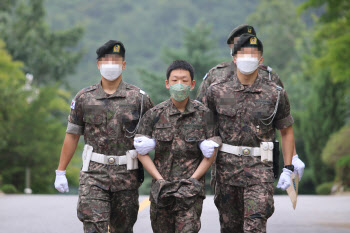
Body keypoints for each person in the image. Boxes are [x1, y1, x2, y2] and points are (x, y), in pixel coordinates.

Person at [54, 40, 153, 233]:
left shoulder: (139, 99)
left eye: (115, 60)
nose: (110, 65)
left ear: (123, 65)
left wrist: (151, 143)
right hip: (93, 175)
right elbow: (72, 135)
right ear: (98, 64)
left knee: (122, 229)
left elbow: (154, 134)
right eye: (106, 60)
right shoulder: (84, 98)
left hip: (126, 176)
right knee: (93, 227)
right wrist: (61, 171)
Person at [204, 34, 296, 232]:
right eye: (243, 54)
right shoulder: (216, 91)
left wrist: (288, 168)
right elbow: (207, 123)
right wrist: (207, 142)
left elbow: (286, 131)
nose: (248, 58)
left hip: (260, 169)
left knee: (255, 224)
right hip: (226, 171)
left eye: (253, 54)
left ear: (261, 60)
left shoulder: (276, 93)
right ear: (234, 58)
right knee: (230, 227)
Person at [196, 25, 305, 189]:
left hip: (261, 159)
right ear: (232, 48)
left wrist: (293, 158)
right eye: (240, 44)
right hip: (226, 160)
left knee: (258, 212)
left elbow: (282, 118)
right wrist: (201, 146)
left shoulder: (269, 76)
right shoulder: (216, 76)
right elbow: (201, 114)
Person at [134, 60, 222, 233]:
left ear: (192, 84)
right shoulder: (154, 114)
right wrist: (158, 178)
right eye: (175, 80)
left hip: (190, 192)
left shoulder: (205, 114)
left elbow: (212, 152)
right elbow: (140, 151)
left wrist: (193, 180)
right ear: (167, 84)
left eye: (184, 80)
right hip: (162, 191)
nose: (179, 85)